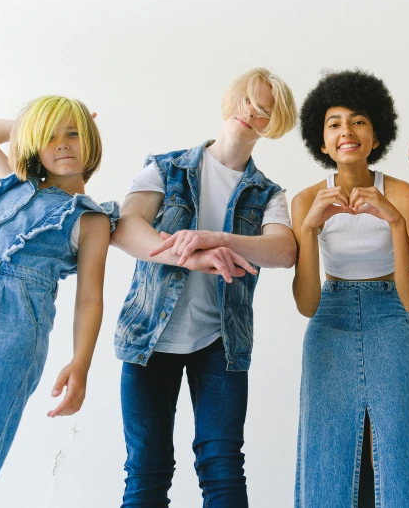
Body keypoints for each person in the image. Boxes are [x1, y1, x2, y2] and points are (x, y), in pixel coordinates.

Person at [110, 67, 297, 508]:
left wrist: (218, 239)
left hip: (221, 344)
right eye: (248, 100)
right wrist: (190, 255)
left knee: (223, 467)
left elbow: (284, 251)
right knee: (146, 470)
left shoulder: (268, 193)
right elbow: (124, 228)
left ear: (274, 126)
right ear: (232, 100)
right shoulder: (165, 168)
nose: (252, 112)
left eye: (265, 111)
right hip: (149, 338)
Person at [0, 96, 118, 508]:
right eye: (50, 137)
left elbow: (90, 298)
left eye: (73, 133)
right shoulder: (13, 182)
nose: (64, 143)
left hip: (0, 329)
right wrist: (39, 122)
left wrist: (81, 363)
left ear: (91, 140)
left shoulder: (90, 220)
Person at [292, 70, 409, 508]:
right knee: (326, 446)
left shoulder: (405, 195)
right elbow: (307, 303)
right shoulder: (305, 200)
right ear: (322, 141)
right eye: (334, 123)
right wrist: (310, 228)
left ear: (376, 134)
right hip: (330, 317)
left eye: (359, 120)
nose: (346, 131)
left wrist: (395, 220)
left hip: (389, 315)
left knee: (392, 446)